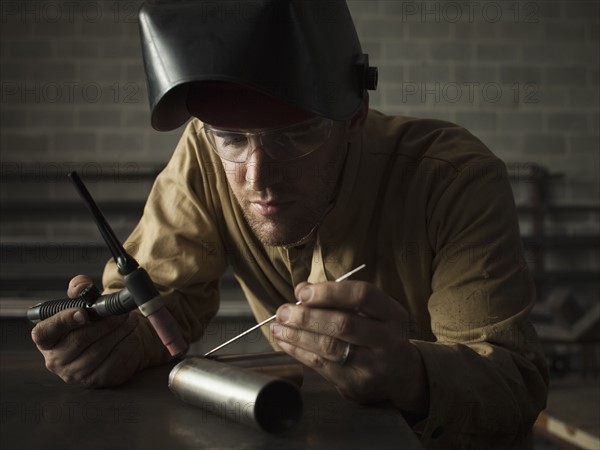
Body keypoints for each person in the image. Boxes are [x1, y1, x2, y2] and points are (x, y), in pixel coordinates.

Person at [31, 1, 548, 448]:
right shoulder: (206, 152)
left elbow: (514, 386)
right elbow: (162, 305)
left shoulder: (454, 179)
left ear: (353, 116)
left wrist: (411, 375)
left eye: (294, 137)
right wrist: (115, 341)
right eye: (232, 138)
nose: (259, 179)